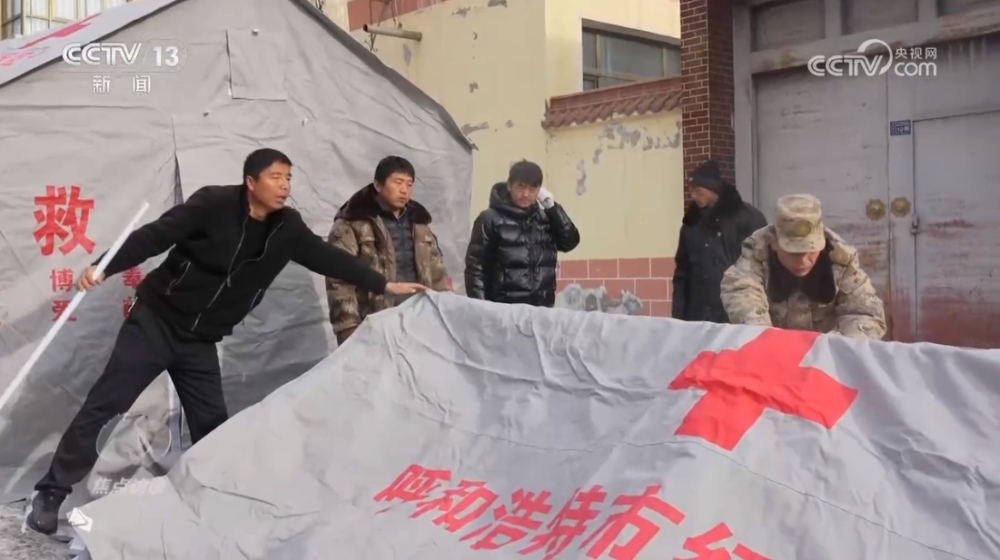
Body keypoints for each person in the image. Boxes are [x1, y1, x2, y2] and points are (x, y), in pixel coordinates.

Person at [26, 148, 426, 534]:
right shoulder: (212, 205)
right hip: (155, 323)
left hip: (199, 341)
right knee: (105, 407)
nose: (284, 185)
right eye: (275, 177)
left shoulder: (287, 228)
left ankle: (214, 508)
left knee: (212, 427)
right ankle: (49, 493)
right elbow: (154, 236)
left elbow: (327, 257)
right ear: (251, 182)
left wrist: (382, 283)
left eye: (288, 178)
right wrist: (105, 264)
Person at [719, 193, 886, 339]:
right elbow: (743, 294)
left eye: (811, 252)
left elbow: (866, 315)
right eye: (794, 253)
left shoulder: (841, 260)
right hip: (773, 352)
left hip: (826, 355)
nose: (804, 261)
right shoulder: (756, 256)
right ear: (773, 242)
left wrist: (834, 347)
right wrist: (766, 341)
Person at [327, 156, 450, 344]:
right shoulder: (352, 223)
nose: (404, 190)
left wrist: (444, 308)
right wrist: (348, 328)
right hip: (373, 321)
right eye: (398, 182)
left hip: (418, 319)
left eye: (409, 184)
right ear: (378, 185)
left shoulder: (419, 223)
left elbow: (436, 272)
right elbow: (339, 279)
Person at [464, 160, 580, 307]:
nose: (526, 194)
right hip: (504, 309)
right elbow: (475, 267)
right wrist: (482, 308)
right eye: (521, 187)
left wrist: (552, 208)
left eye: (532, 189)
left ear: (539, 190)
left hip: (541, 308)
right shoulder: (490, 219)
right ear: (509, 185)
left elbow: (569, 242)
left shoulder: (545, 218)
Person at [672, 160, 766, 323]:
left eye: (698, 191)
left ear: (713, 189)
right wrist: (678, 317)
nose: (693, 196)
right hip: (698, 315)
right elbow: (682, 273)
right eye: (691, 191)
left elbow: (763, 265)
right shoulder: (691, 224)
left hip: (735, 311)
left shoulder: (747, 218)